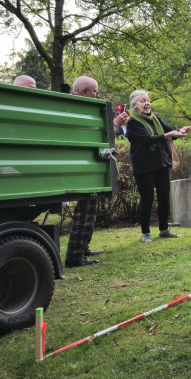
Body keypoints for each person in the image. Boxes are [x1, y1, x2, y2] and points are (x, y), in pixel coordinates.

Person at [64, 75, 126, 267]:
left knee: (90, 209)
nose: (98, 95)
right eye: (96, 92)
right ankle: (75, 256)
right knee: (85, 210)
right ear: (84, 91)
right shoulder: (78, 108)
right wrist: (115, 123)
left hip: (86, 167)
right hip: (83, 169)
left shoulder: (74, 107)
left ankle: (83, 248)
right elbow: (97, 134)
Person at [126, 90, 191, 243]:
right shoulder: (132, 123)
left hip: (161, 164)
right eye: (143, 101)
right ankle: (146, 233)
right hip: (144, 167)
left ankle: (164, 229)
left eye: (148, 100)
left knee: (164, 197)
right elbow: (147, 139)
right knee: (147, 199)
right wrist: (166, 136)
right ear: (134, 105)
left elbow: (169, 131)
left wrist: (180, 131)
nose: (147, 103)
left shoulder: (154, 118)